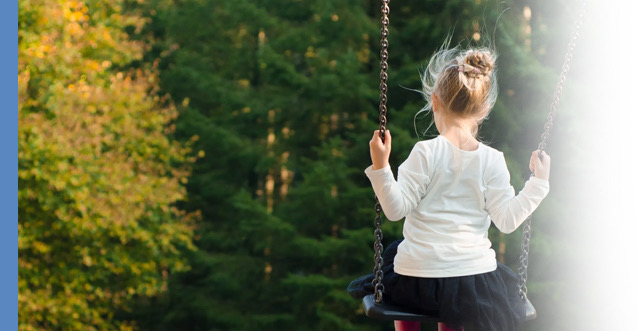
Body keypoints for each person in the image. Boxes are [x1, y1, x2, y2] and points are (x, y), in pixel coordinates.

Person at [348, 45, 551, 331]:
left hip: (417, 281)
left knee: (401, 270)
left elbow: (394, 210)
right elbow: (507, 221)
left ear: (435, 101)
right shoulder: (492, 161)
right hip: (469, 281)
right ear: (484, 109)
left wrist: (381, 166)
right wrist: (538, 184)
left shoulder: (425, 152)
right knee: (458, 299)